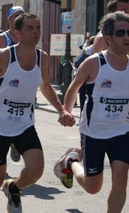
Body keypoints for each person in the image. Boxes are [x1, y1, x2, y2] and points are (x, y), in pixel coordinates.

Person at [0, 13, 75, 213]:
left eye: (37, 27)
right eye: (30, 28)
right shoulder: (3, 55)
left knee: (36, 170)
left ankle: (13, 187)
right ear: (17, 33)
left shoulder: (41, 57)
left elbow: (45, 85)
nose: (35, 31)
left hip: (24, 124)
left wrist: (61, 110)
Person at [53, 11, 129, 213]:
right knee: (93, 187)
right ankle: (71, 162)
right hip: (94, 132)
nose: (127, 37)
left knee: (121, 180)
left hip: (122, 131)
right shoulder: (95, 62)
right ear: (108, 38)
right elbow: (73, 87)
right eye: (121, 33)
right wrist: (66, 112)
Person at [0, 5, 25, 163]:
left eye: (22, 16)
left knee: (22, 118)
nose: (20, 19)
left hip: (24, 87)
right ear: (9, 20)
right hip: (4, 86)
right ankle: (1, 152)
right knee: (2, 120)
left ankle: (16, 143)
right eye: (16, 16)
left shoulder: (28, 36)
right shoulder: (1, 39)